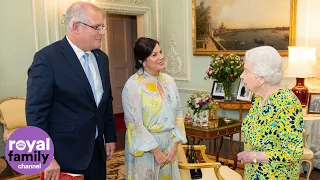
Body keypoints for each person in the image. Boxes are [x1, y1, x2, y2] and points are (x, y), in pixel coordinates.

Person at [25, 2, 116, 180]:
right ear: (76, 27)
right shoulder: (47, 59)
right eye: (97, 27)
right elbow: (35, 114)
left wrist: (110, 136)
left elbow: (106, 102)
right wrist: (46, 156)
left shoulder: (101, 58)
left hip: (97, 151)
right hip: (64, 155)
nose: (102, 32)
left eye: (102, 26)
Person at [121, 37, 187, 180]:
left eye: (161, 52)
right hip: (145, 151)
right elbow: (135, 125)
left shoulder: (168, 81)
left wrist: (175, 145)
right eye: (154, 54)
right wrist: (157, 153)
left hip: (170, 148)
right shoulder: (133, 85)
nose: (161, 57)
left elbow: (178, 114)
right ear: (142, 61)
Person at [237, 46, 304, 180]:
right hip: (253, 174)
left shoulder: (287, 103)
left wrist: (253, 156)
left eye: (246, 71)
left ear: (261, 77)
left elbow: (293, 152)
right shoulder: (258, 98)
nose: (241, 76)